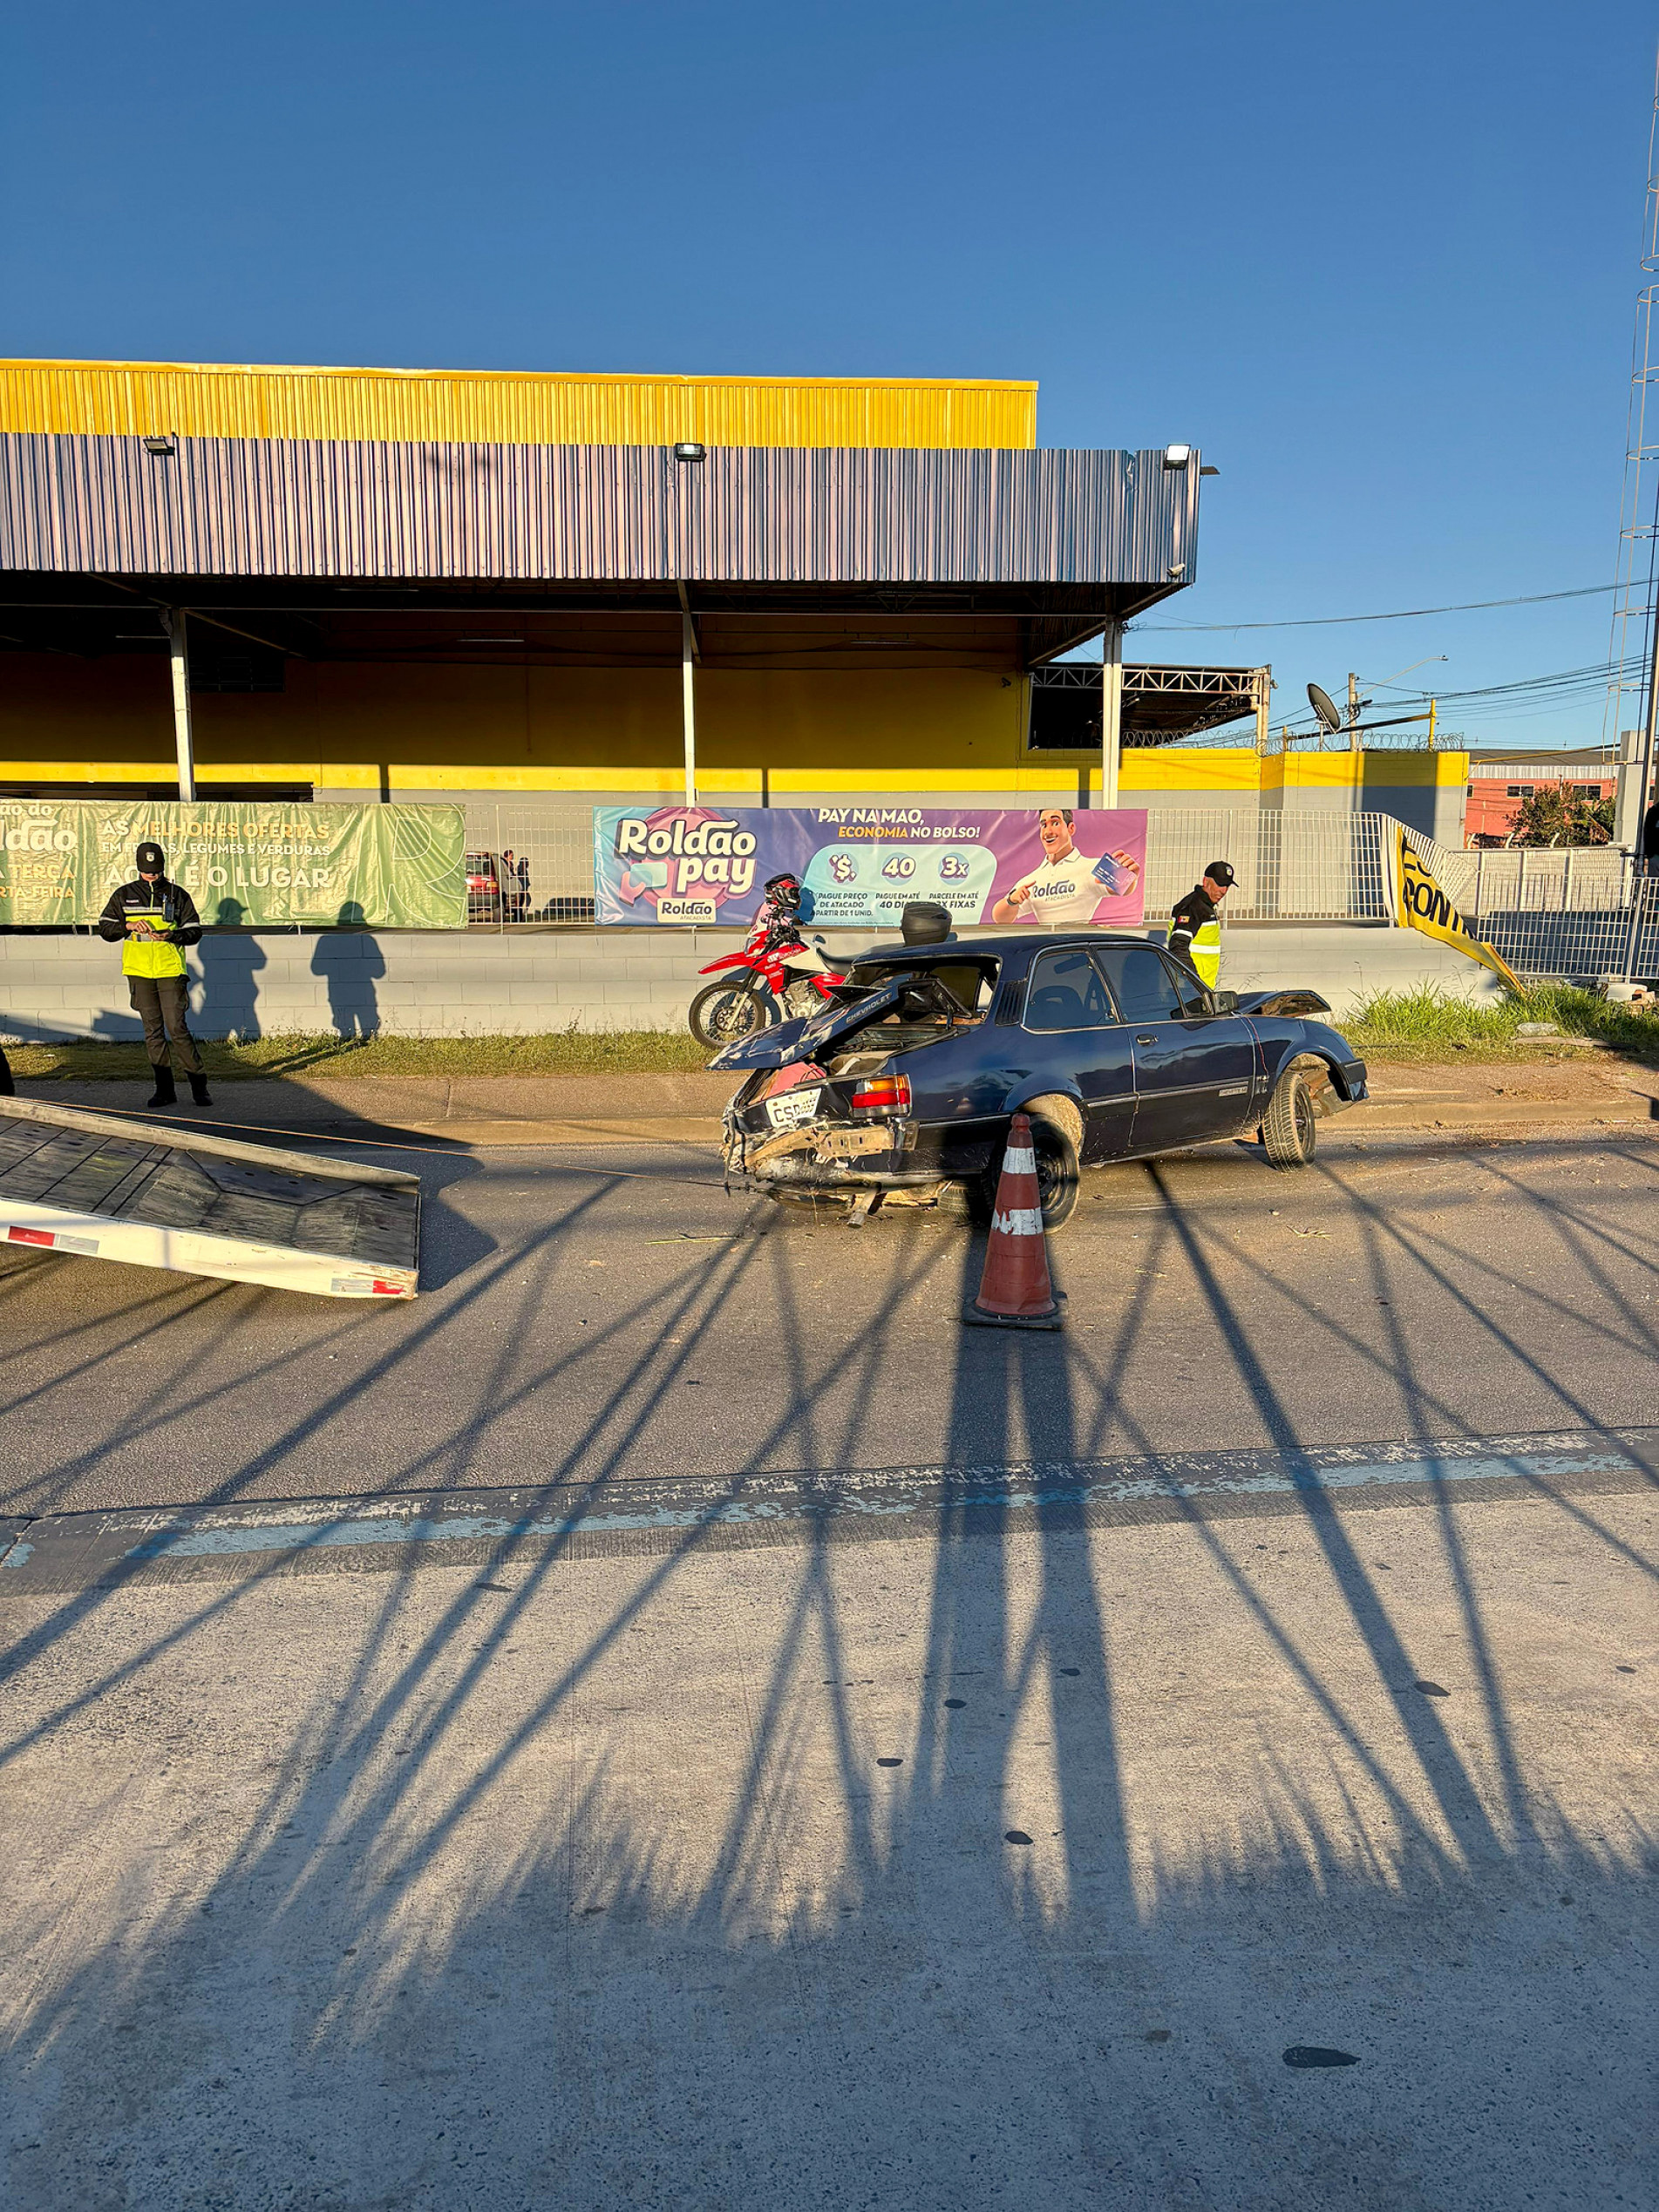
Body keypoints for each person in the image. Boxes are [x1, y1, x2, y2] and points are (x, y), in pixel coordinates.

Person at [97, 841, 213, 1110]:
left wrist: (172, 935)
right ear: (138, 868)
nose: (153, 875)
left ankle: (199, 1086)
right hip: (139, 973)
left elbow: (194, 931)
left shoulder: (177, 895)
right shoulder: (124, 895)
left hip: (170, 971)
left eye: (157, 870)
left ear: (163, 867)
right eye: (148, 870)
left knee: (177, 1028)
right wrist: (127, 925)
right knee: (153, 1032)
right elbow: (105, 928)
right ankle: (164, 1090)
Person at [991, 807, 1140, 927]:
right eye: (1044, 825)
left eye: (1055, 823)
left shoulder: (1091, 866)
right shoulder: (1032, 879)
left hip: (1078, 951)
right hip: (1046, 952)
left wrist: (1129, 877)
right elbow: (1000, 918)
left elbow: (1124, 888)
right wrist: (1012, 900)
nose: (1048, 832)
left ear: (1071, 828)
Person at [1167, 861, 1235, 987]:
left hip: (1200, 988)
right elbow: (1178, 946)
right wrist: (1194, 983)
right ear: (1206, 882)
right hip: (1190, 990)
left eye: (1227, 885)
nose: (1224, 891)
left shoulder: (1205, 907)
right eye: (1220, 884)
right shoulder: (1194, 907)